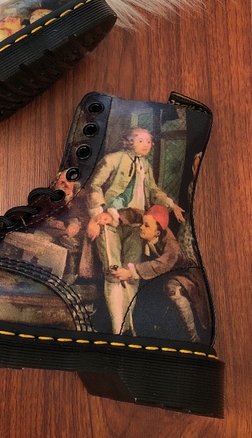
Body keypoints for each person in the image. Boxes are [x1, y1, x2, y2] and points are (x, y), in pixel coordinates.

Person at [86, 128, 185, 334]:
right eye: (141, 140)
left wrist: (171, 204)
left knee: (131, 273)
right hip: (111, 221)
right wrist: (97, 215)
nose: (146, 144)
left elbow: (153, 191)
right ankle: (116, 330)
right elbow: (94, 185)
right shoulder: (112, 159)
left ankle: (127, 328)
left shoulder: (145, 166)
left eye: (148, 141)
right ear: (130, 142)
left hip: (136, 225)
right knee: (113, 272)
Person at [110, 205, 209, 343]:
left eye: (146, 226)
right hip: (159, 275)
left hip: (185, 275)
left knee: (172, 289)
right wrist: (113, 216)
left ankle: (193, 338)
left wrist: (131, 272)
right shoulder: (152, 223)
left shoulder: (171, 247)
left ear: (157, 233)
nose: (141, 227)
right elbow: (135, 213)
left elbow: (162, 264)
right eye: (143, 223)